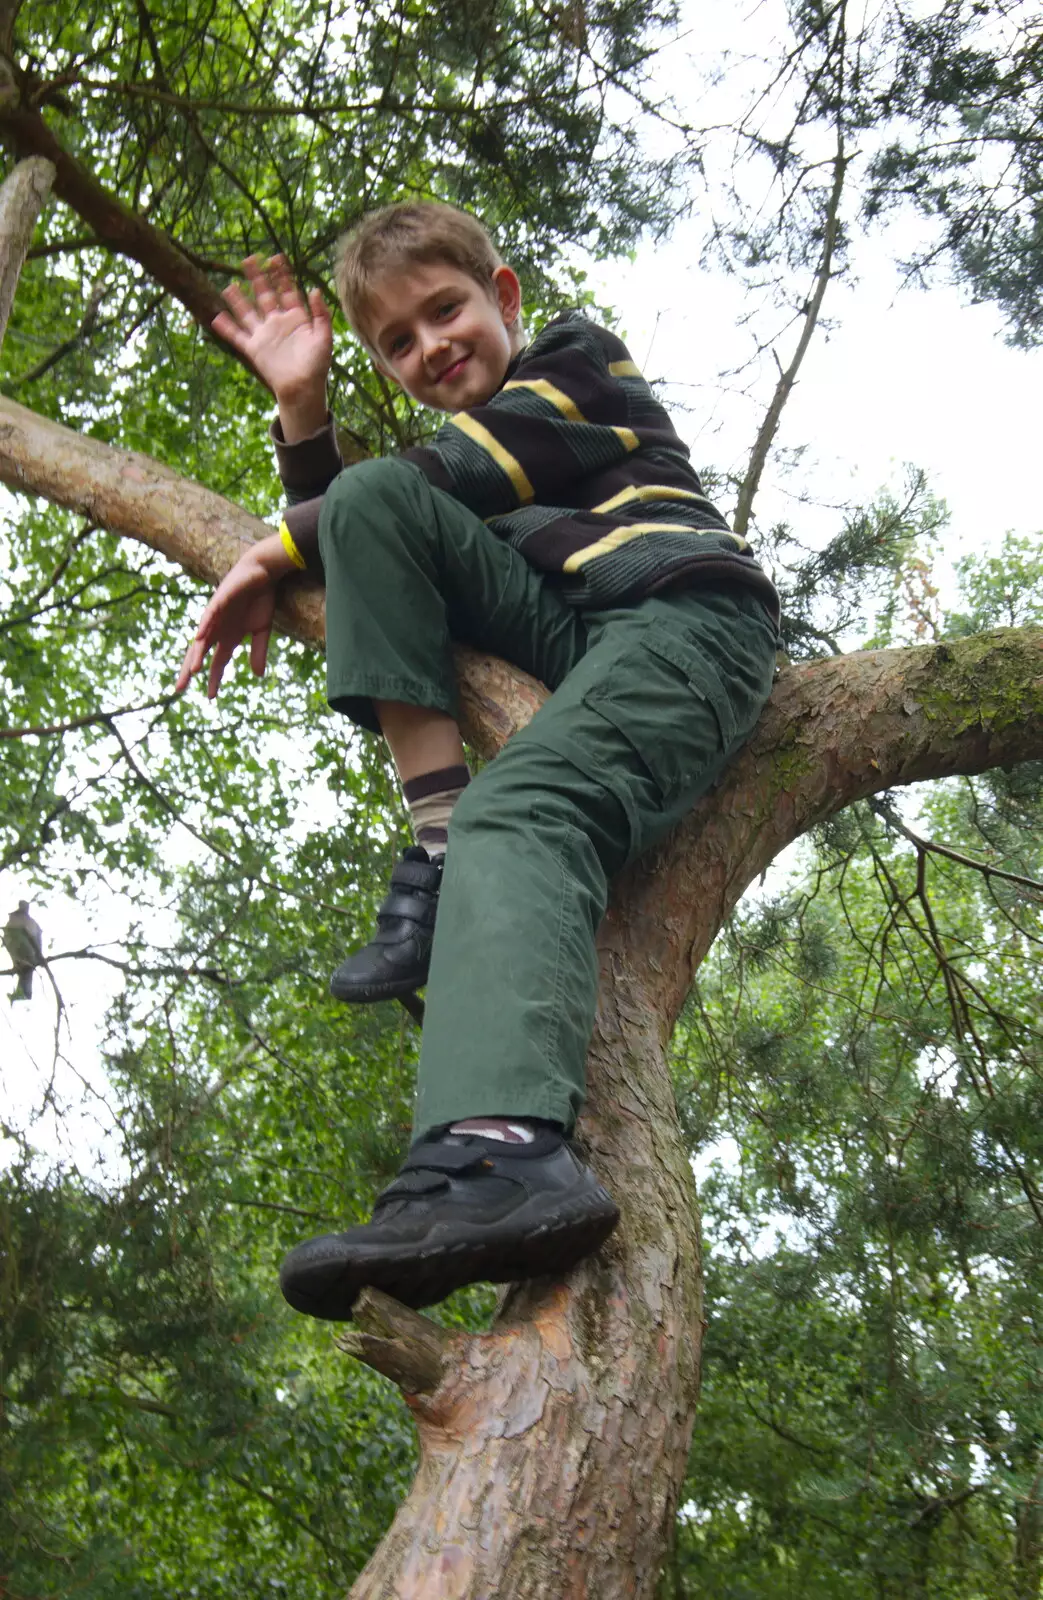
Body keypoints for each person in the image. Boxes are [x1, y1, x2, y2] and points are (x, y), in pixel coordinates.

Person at [177, 200, 780, 1321]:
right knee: (366, 496)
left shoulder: (576, 365)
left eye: (444, 310)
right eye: (395, 344)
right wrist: (299, 407)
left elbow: (460, 470)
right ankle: (441, 845)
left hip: (678, 620)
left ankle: (499, 1151)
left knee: (525, 811)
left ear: (502, 296)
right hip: (569, 630)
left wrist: (265, 549)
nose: (428, 347)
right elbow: (370, 517)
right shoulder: (453, 460)